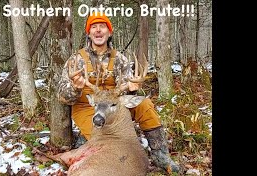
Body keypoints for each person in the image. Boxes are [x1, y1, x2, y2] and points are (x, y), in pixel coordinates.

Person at [57, 12, 179, 173]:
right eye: (94, 27)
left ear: (109, 33)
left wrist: (133, 88)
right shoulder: (76, 60)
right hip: (89, 107)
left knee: (145, 104)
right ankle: (85, 142)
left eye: (102, 27)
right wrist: (75, 87)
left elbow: (127, 91)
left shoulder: (120, 59)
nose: (98, 30)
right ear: (89, 33)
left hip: (115, 106)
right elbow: (62, 97)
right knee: (105, 140)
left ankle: (160, 154)